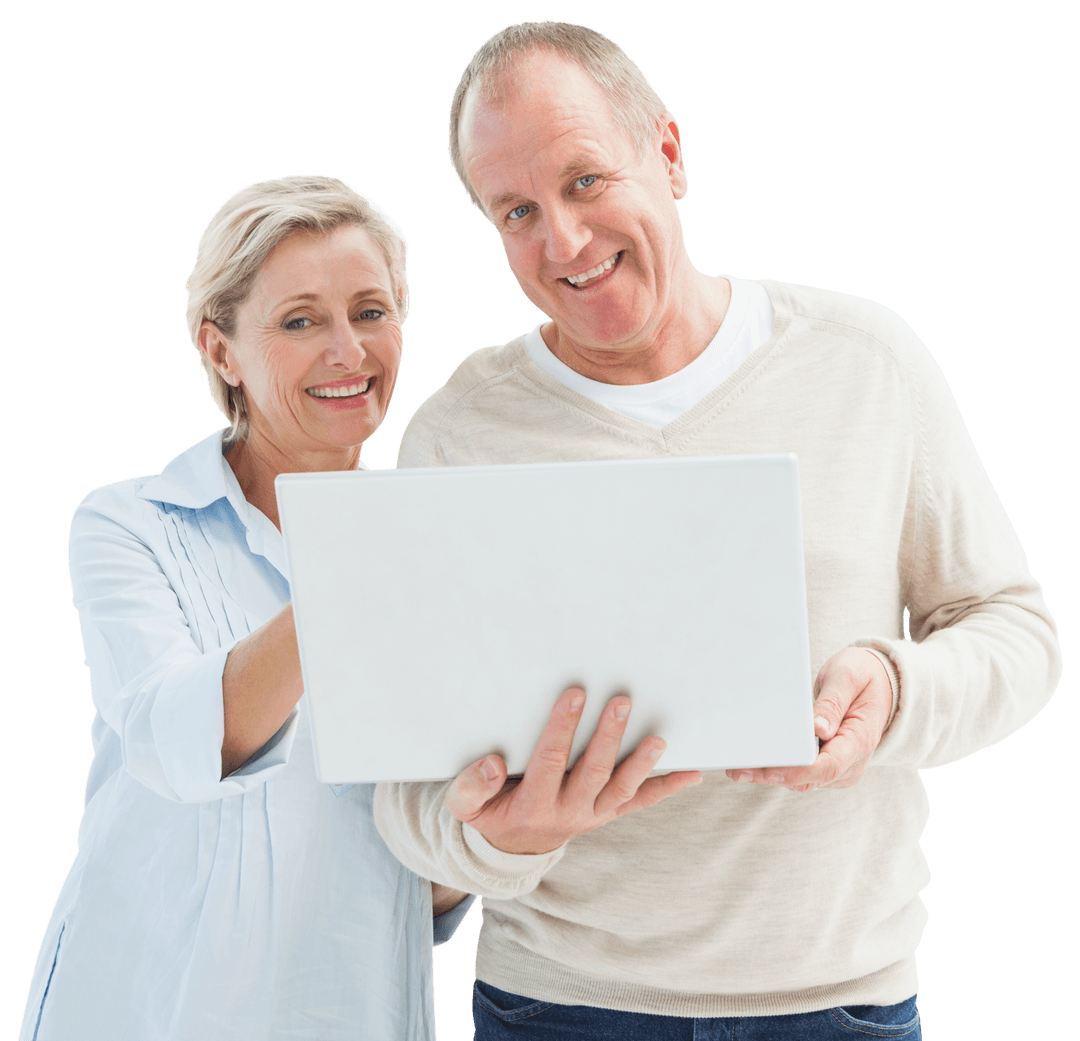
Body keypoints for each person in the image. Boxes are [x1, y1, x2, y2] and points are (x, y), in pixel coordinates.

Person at [372, 21, 1064, 1041]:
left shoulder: (865, 359)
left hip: (843, 1002)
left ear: (668, 153)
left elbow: (1015, 632)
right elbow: (405, 791)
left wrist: (896, 688)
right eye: (515, 211)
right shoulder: (459, 432)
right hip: (559, 1008)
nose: (561, 240)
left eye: (585, 181)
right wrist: (500, 840)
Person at [18, 173, 698, 1040]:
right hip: (143, 1006)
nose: (349, 351)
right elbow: (174, 738)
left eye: (371, 312)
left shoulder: (454, 544)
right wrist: (377, 556)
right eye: (300, 321)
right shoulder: (132, 523)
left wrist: (507, 833)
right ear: (221, 349)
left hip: (346, 1007)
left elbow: (428, 877)